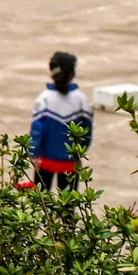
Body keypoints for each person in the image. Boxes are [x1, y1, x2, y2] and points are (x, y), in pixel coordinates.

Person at [30, 52, 92, 190]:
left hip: (45, 161)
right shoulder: (81, 100)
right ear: (72, 73)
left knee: (41, 204)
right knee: (68, 207)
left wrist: (34, 155)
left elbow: (37, 132)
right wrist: (80, 152)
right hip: (70, 164)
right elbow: (87, 132)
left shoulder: (44, 99)